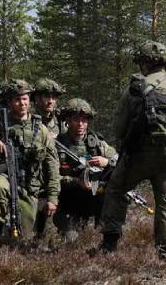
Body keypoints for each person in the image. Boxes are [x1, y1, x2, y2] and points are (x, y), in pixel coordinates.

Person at [99, 41, 166, 261]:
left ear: (145, 63)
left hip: (138, 155)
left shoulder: (134, 88)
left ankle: (109, 246)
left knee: (115, 189)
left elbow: (119, 127)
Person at [0, 79, 60, 240]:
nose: (22, 103)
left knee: (24, 237)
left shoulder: (41, 130)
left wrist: (52, 197)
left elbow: (52, 164)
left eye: (24, 99)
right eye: (17, 100)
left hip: (30, 185)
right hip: (5, 176)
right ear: (10, 102)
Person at [50, 98, 117, 242]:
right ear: (67, 120)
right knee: (71, 242)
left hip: (93, 198)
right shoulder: (57, 145)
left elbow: (119, 162)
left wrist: (107, 162)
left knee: (108, 193)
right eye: (76, 119)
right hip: (68, 201)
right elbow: (51, 179)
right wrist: (75, 182)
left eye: (84, 120)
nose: (80, 124)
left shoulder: (97, 143)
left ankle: (105, 236)